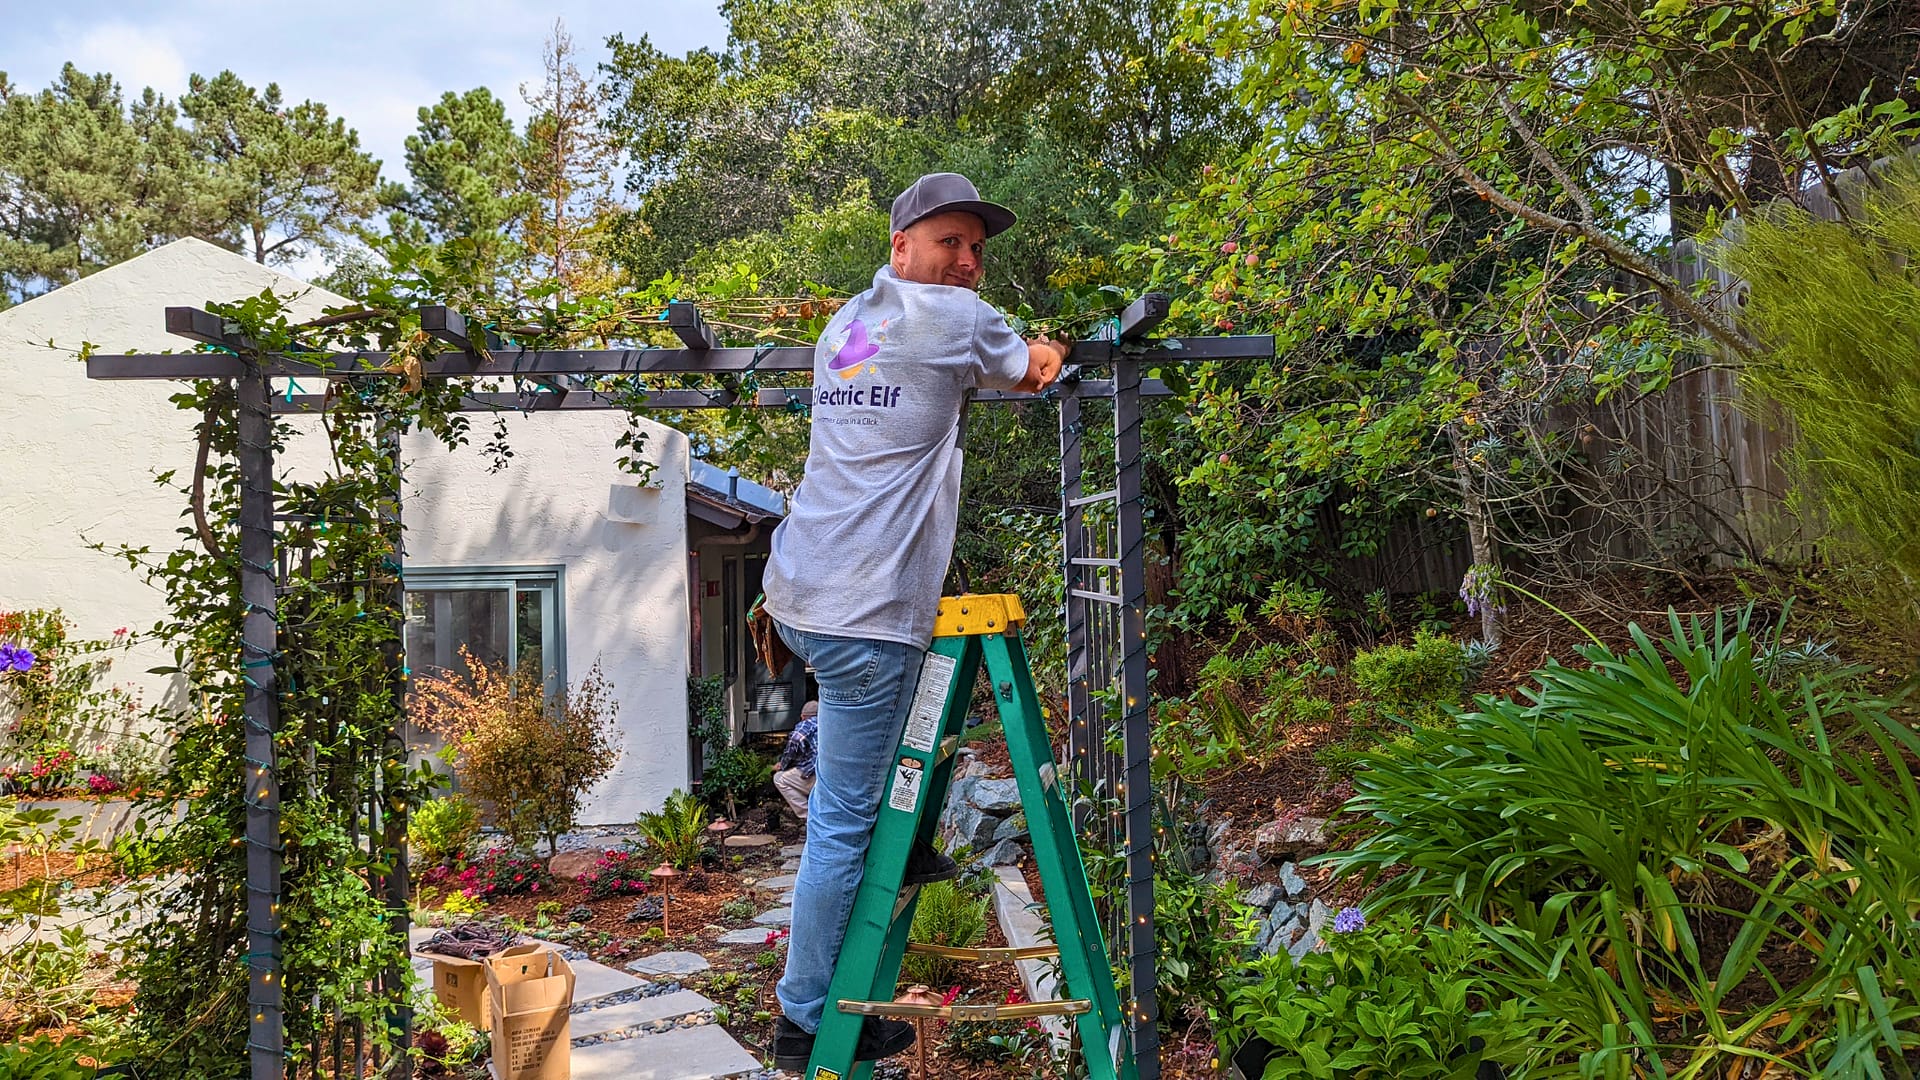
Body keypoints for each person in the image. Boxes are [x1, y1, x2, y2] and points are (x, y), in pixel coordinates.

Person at [759, 172, 1069, 1071]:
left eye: (976, 248)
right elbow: (1034, 372)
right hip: (863, 612)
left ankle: (915, 841)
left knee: (871, 788)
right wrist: (1044, 344)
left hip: (799, 591)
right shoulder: (956, 320)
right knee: (846, 822)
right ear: (902, 248)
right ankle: (806, 1019)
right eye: (948, 243)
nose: (967, 262)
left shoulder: (849, 325)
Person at [773, 700, 820, 820]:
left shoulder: (807, 723)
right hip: (834, 776)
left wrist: (783, 765)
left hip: (816, 776)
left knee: (779, 779)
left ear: (803, 716)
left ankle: (807, 817)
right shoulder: (830, 723)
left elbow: (796, 739)